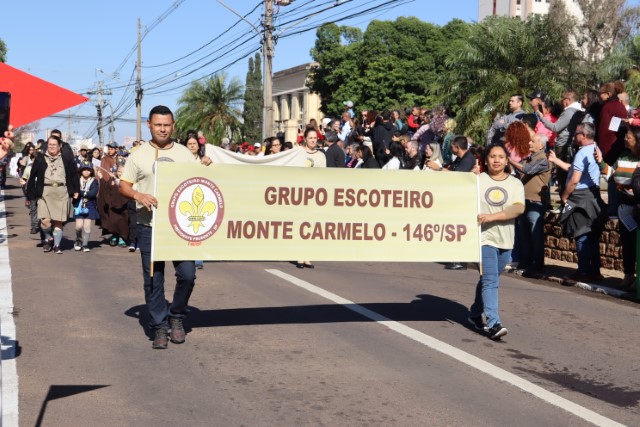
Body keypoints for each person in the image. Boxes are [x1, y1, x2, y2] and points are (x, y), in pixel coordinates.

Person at [119, 105, 213, 349]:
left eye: (167, 124)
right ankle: (160, 325)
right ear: (149, 125)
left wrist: (207, 165)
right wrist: (139, 196)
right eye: (158, 124)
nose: (162, 128)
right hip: (148, 225)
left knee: (188, 275)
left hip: (180, 227)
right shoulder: (138, 155)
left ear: (173, 126)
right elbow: (124, 185)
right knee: (154, 278)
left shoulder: (185, 153)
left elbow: (199, 183)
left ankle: (177, 315)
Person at [468, 143, 525, 340]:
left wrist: (493, 217)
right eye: (493, 156)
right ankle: (493, 323)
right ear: (486, 159)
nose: (497, 160)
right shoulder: (477, 180)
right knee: (491, 280)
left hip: (506, 239)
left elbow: (518, 208)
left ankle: (475, 311)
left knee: (490, 278)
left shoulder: (515, 184)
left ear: (507, 160)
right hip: (484, 238)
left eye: (501, 156)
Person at [549, 123, 607, 283]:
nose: (574, 137)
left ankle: (583, 271)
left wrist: (565, 195)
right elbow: (574, 169)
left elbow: (575, 179)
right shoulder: (595, 149)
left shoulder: (582, 153)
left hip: (580, 197)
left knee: (581, 234)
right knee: (592, 236)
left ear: (583, 135)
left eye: (576, 134)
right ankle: (595, 271)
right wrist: (556, 160)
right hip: (592, 194)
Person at [597, 126, 640, 290]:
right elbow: (612, 174)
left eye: (628, 137)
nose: (625, 139)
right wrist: (601, 161)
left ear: (637, 139)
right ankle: (628, 275)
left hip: (637, 206)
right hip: (624, 208)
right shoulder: (623, 156)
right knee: (627, 244)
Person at [26, 135, 80, 253]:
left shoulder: (67, 159)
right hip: (45, 192)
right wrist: (29, 194)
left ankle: (56, 245)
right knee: (45, 221)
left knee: (58, 221)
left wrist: (76, 191)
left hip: (62, 192)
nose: (51, 147)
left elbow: (74, 176)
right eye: (49, 144)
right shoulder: (40, 158)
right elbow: (32, 176)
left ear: (59, 146)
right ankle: (48, 238)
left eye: (54, 145)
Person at [510, 133, 552, 275]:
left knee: (535, 235)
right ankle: (526, 262)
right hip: (524, 201)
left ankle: (537, 264)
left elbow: (527, 170)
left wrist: (509, 159)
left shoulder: (543, 160)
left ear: (541, 145)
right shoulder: (529, 159)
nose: (529, 143)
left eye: (532, 141)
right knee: (525, 234)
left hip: (536, 202)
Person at [73, 161, 100, 252]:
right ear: (80, 170)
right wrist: (84, 193)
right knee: (79, 226)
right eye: (84, 169)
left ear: (91, 171)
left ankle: (85, 244)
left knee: (87, 226)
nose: (86, 171)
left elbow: (93, 193)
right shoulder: (77, 180)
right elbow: (74, 190)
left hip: (90, 205)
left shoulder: (94, 181)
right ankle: (78, 239)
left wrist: (82, 193)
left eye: (88, 169)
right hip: (78, 205)